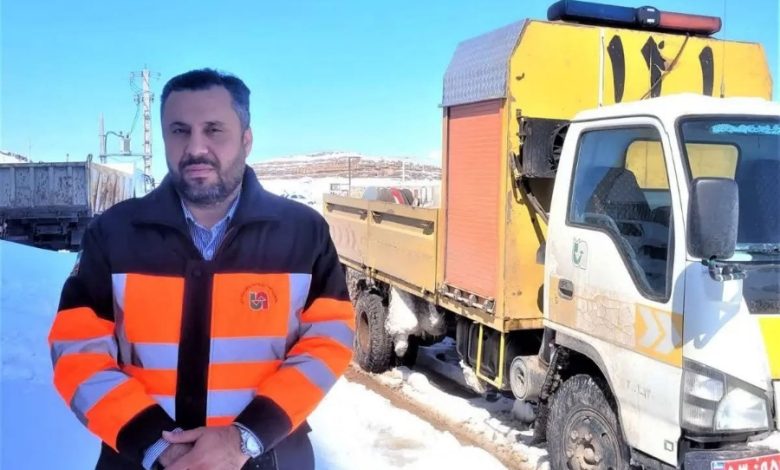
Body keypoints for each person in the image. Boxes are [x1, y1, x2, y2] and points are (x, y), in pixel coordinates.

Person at [47, 69, 355, 470]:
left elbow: (328, 343)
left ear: (246, 139)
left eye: (214, 130)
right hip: (140, 459)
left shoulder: (302, 233)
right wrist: (159, 445)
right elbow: (76, 351)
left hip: (270, 457)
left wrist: (244, 437)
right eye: (179, 131)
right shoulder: (113, 234)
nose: (195, 148)